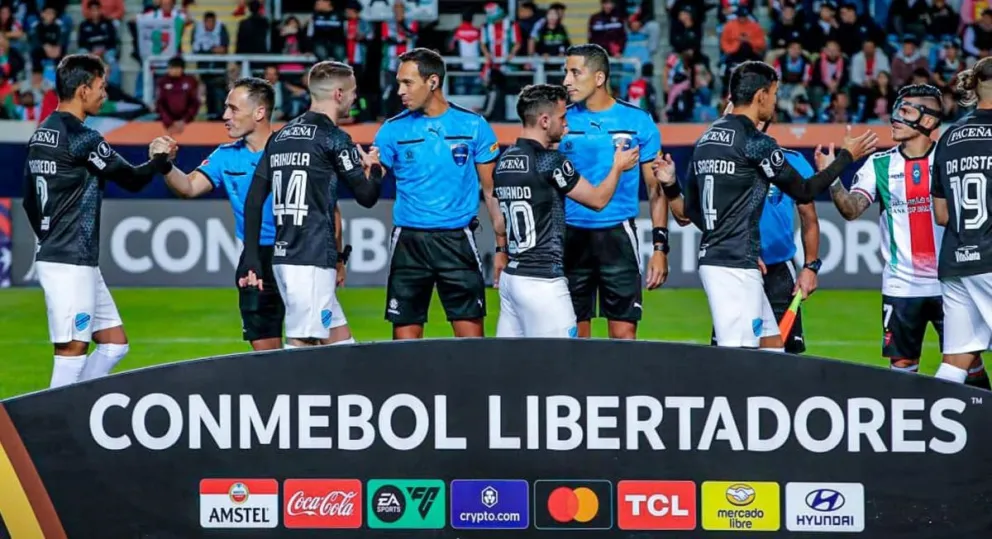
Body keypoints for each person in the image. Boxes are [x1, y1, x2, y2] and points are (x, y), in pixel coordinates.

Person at [680, 60, 877, 349]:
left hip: (730, 259)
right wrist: (846, 157)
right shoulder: (754, 140)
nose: (775, 101)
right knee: (739, 360)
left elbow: (692, 209)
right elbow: (805, 189)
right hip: (735, 267)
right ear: (760, 95)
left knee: (773, 349)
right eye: (774, 93)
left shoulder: (707, 138)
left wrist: (733, 240)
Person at [154, 78, 358, 350]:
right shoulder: (225, 156)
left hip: (301, 254)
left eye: (233, 109)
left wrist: (337, 258)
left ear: (259, 112)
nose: (225, 116)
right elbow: (189, 187)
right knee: (266, 358)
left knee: (327, 346)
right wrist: (165, 165)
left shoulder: (294, 147)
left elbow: (329, 207)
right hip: (256, 258)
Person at [21, 54, 173, 387]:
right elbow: (132, 180)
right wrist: (160, 160)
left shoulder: (41, 134)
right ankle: (52, 428)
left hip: (68, 255)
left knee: (115, 343)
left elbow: (30, 201)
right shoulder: (81, 136)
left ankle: (74, 405)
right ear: (84, 89)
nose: (105, 95)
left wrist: (50, 235)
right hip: (70, 258)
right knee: (72, 349)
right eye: (102, 87)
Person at [829, 84, 990, 388]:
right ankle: (906, 433)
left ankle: (981, 425)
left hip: (949, 282)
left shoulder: (948, 157)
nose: (894, 118)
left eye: (905, 111)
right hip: (901, 286)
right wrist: (834, 177)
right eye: (896, 110)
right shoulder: (878, 164)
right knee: (903, 367)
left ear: (928, 121)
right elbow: (851, 210)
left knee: (969, 364)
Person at [239, 61, 382, 348]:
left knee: (342, 345)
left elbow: (254, 201)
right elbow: (367, 197)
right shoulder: (334, 137)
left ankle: (346, 393)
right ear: (339, 94)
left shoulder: (280, 137)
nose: (355, 98)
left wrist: (252, 256)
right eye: (353, 92)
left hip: (284, 255)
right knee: (302, 346)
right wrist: (375, 169)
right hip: (311, 257)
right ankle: (291, 394)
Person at [373, 48, 504, 340]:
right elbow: (368, 188)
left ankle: (470, 388)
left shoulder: (473, 125)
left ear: (432, 81)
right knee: (404, 346)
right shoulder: (391, 130)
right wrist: (363, 170)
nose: (399, 91)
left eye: (407, 83)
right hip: (409, 241)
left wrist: (501, 247)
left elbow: (492, 191)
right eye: (399, 83)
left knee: (471, 343)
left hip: (457, 240)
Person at [493, 84, 640, 337]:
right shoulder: (550, 161)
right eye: (562, 118)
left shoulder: (505, 161)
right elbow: (597, 200)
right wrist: (617, 167)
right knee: (564, 363)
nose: (566, 125)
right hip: (543, 280)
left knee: (512, 365)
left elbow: (499, 222)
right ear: (544, 120)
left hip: (512, 279)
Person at [560, 43, 669, 340]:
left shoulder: (637, 121)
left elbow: (655, 189)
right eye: (565, 72)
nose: (566, 80)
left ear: (598, 78)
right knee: (573, 339)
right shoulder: (560, 121)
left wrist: (660, 249)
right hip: (571, 237)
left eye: (574, 72)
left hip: (618, 237)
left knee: (623, 339)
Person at [930, 57, 992, 386]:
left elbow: (941, 215)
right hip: (990, 257)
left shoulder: (949, 138)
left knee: (955, 363)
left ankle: (932, 433)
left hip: (956, 260)